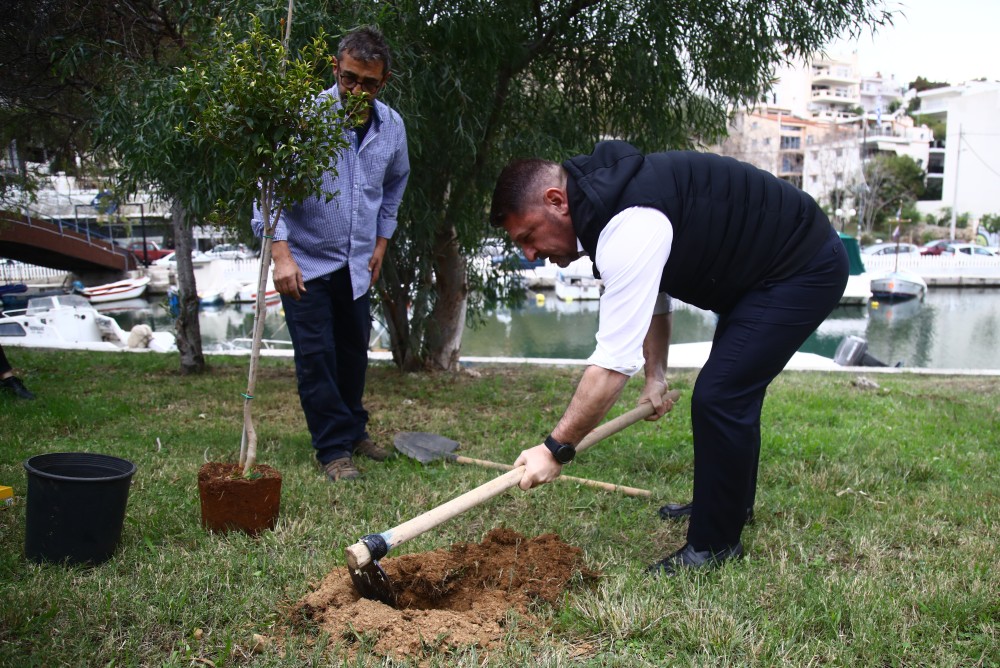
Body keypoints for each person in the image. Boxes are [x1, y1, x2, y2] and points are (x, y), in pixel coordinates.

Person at [489, 141, 848, 574]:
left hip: (802, 266)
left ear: (555, 201)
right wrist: (655, 377)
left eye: (528, 236)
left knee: (721, 395)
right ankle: (727, 506)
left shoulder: (627, 222)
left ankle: (715, 544)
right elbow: (655, 298)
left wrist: (555, 448)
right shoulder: (607, 211)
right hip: (759, 277)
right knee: (729, 393)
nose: (530, 254)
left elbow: (611, 365)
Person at [252, 26, 410, 482]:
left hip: (358, 262)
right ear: (336, 70)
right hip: (305, 262)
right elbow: (268, 190)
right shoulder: (303, 117)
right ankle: (333, 450)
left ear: (385, 81)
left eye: (368, 83)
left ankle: (354, 431)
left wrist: (381, 243)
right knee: (317, 356)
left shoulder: (392, 127)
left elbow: (396, 183)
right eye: (349, 79)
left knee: (352, 353)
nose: (356, 90)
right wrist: (281, 256)